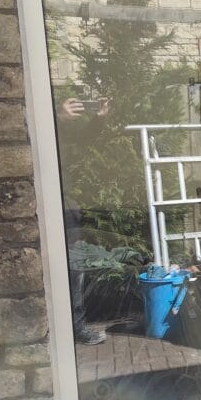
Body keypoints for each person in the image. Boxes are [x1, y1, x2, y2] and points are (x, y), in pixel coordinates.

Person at [59, 96, 111, 346]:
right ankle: (72, 328)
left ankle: (76, 328)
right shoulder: (48, 129)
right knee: (69, 270)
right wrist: (59, 119)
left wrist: (99, 119)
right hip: (49, 207)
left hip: (66, 208)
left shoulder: (62, 135)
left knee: (75, 269)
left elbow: (81, 141)